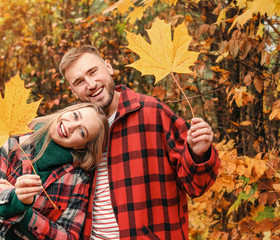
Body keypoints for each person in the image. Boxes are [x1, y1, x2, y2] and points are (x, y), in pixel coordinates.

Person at [59, 45, 221, 240]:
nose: (91, 84)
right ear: (73, 91)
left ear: (108, 67)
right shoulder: (74, 131)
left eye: (93, 72)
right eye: (79, 82)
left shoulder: (153, 112)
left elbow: (196, 185)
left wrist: (198, 154)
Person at [0, 102, 109, 240]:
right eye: (75, 115)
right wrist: (14, 198)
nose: (71, 126)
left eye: (82, 132)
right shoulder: (11, 135)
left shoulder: (78, 179)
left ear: (82, 145)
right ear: (67, 110)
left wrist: (25, 211)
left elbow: (69, 237)